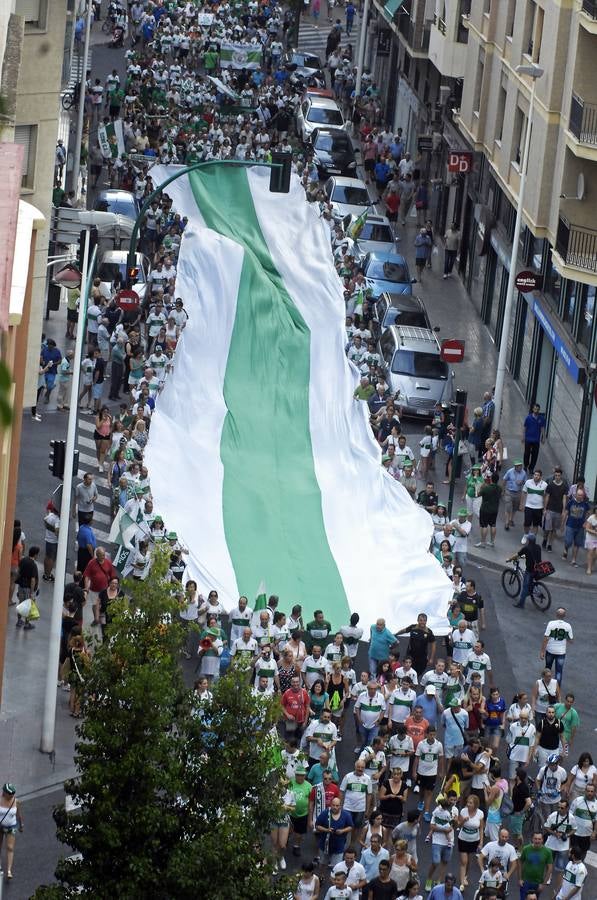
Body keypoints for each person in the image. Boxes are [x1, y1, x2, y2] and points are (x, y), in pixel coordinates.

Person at [544, 799, 575, 893]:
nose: (559, 809)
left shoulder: (571, 818)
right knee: (549, 861)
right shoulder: (553, 815)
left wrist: (567, 835)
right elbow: (546, 827)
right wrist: (554, 833)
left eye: (562, 808)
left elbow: (574, 829)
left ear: (567, 808)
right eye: (558, 807)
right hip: (551, 844)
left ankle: (559, 885)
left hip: (563, 846)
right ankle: (548, 876)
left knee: (561, 866)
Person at [315, 796, 353, 868]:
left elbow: (350, 826)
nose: (335, 807)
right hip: (325, 845)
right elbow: (317, 826)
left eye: (337, 805)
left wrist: (342, 831)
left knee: (337, 867)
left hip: (339, 846)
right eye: (333, 805)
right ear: (330, 805)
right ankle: (321, 877)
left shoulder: (346, 815)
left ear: (340, 806)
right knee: (322, 864)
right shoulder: (325, 813)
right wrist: (326, 830)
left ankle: (335, 879)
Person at [507, 533, 541, 610]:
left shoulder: (526, 548)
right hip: (538, 569)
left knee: (525, 587)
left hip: (530, 570)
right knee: (531, 582)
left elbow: (517, 555)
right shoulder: (538, 547)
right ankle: (531, 590)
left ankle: (521, 604)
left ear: (528, 540)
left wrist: (509, 559)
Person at [540, 608, 573, 685]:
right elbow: (571, 640)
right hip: (561, 652)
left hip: (550, 650)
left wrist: (542, 651)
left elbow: (546, 638)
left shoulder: (551, 624)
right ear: (564, 616)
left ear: (556, 615)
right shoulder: (568, 626)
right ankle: (557, 689)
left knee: (547, 668)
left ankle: (544, 684)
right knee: (559, 671)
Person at [517, 832, 553, 899]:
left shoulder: (547, 852)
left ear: (542, 840)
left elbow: (550, 868)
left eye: (539, 839)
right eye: (535, 839)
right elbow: (520, 862)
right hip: (525, 881)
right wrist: (520, 879)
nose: (537, 841)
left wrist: (543, 884)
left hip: (538, 882)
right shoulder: (526, 849)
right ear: (532, 839)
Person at [0, 783, 23, 879]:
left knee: (10, 847)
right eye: (10, 794)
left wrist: (21, 824)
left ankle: (9, 870)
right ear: (4, 793)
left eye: (13, 794)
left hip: (11, 826)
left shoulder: (16, 801)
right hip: (0, 826)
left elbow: (18, 814)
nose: (11, 796)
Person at [561, 488, 590, 567]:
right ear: (575, 495)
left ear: (583, 496)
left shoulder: (585, 504)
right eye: (578, 495)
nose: (580, 496)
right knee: (568, 542)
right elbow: (566, 513)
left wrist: (586, 522)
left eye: (581, 495)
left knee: (577, 544)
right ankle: (566, 548)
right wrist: (562, 524)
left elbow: (588, 513)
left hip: (580, 527)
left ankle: (573, 560)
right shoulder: (571, 502)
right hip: (570, 525)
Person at [289, 765, 312, 857]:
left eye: (302, 775)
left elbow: (311, 801)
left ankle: (296, 845)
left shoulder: (309, 786)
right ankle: (285, 840)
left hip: (303, 813)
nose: (300, 777)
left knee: (299, 833)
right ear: (295, 775)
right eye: (298, 775)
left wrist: (310, 816)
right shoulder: (290, 783)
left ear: (305, 776)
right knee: (289, 830)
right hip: (290, 813)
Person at [569, 783, 597, 856]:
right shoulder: (577, 800)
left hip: (587, 834)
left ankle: (581, 865)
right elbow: (570, 814)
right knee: (572, 851)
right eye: (588, 791)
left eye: (591, 791)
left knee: (584, 851)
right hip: (575, 832)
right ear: (585, 791)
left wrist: (594, 832)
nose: (589, 793)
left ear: (595, 792)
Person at [521, 470, 548, 536]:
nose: (536, 476)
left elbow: (546, 497)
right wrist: (521, 504)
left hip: (539, 508)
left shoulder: (545, 485)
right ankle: (525, 535)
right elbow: (523, 493)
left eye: (538, 475)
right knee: (527, 523)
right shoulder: (528, 482)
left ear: (541, 477)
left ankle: (533, 538)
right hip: (528, 506)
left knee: (536, 524)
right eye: (535, 475)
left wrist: (544, 509)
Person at [522, 404, 546, 472]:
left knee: (535, 455)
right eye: (535, 409)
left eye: (537, 409)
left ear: (539, 410)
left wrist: (543, 437)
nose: (536, 410)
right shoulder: (528, 418)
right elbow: (525, 427)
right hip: (528, 439)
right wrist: (523, 436)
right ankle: (525, 466)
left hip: (536, 440)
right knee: (527, 453)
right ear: (533, 409)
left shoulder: (541, 419)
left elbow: (542, 428)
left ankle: (531, 468)